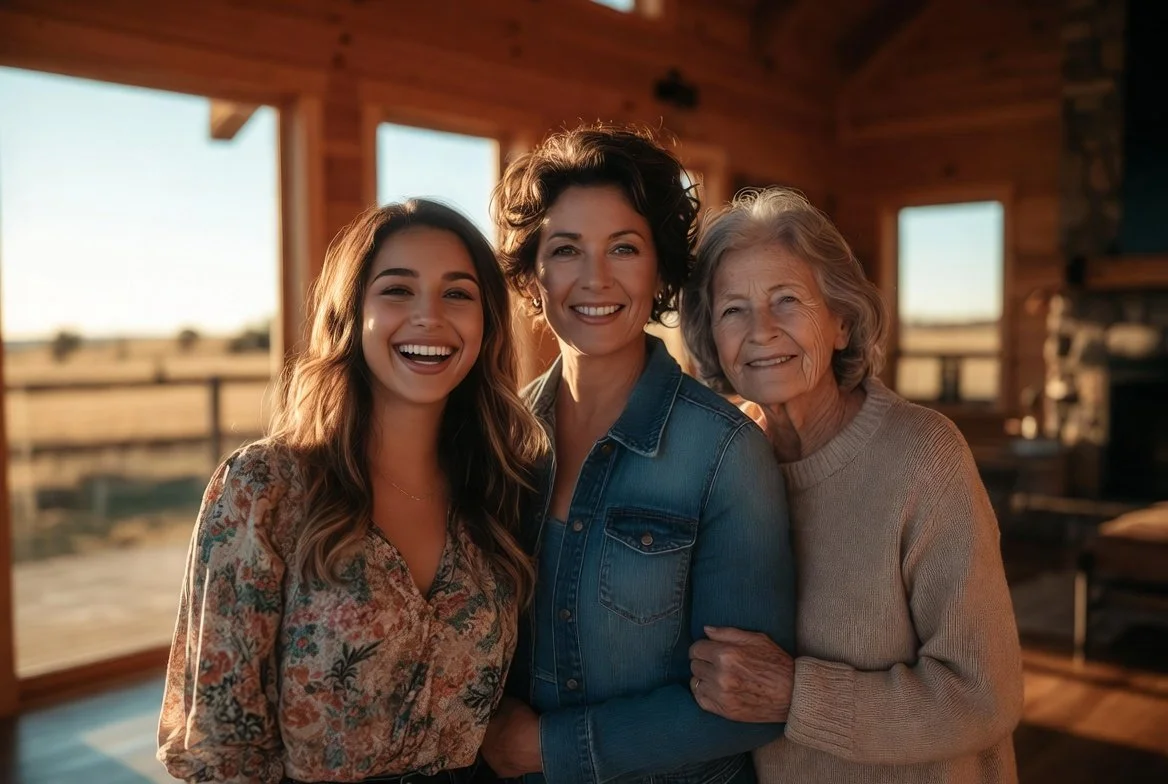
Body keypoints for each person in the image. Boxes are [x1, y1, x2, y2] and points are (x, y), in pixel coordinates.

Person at [157, 200, 546, 784]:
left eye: (457, 294)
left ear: (486, 322)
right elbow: (220, 750)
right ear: (350, 315)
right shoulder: (264, 490)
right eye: (397, 290)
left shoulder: (500, 491)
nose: (429, 317)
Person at [479, 125, 797, 784]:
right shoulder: (495, 440)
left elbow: (749, 707)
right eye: (566, 249)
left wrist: (546, 748)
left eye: (624, 247)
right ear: (533, 276)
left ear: (660, 273)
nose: (595, 278)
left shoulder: (724, 454)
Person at [679, 187, 1025, 783]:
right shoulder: (721, 463)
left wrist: (796, 697)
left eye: (786, 300)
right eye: (733, 309)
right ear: (712, 337)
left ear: (841, 321)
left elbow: (984, 696)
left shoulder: (923, 455)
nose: (760, 330)